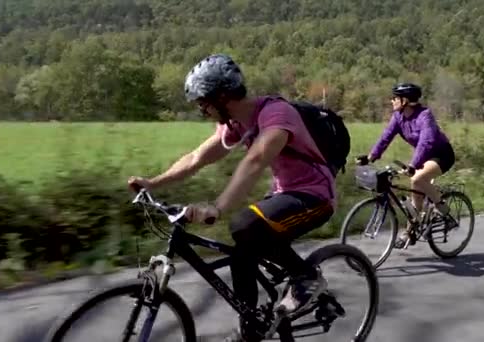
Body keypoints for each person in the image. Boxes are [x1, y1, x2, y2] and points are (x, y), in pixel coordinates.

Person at [128, 54, 335, 341]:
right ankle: (251, 327)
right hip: (283, 193)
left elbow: (256, 160)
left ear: (223, 96)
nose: (201, 110)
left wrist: (218, 207)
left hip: (315, 197)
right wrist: (153, 183)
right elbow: (197, 158)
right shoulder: (235, 124)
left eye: (203, 102)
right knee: (242, 251)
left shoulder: (276, 113)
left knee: (244, 223)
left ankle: (306, 276)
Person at [360, 82, 457, 248]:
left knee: (417, 179)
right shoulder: (398, 117)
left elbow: (426, 142)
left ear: (405, 100)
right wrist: (371, 157)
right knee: (416, 192)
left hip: (441, 155)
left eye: (394, 98)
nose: (391, 101)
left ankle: (446, 214)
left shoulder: (424, 115)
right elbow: (386, 136)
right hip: (424, 156)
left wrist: (413, 164)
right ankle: (411, 231)